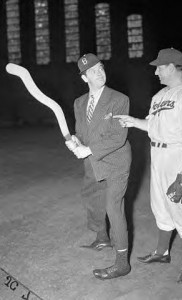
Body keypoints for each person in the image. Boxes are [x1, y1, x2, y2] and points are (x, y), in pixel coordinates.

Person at [114, 48, 182, 285]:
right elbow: (152, 125)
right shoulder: (159, 96)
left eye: (160, 67)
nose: (156, 72)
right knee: (160, 206)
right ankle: (162, 252)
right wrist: (133, 122)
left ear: (174, 66)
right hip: (158, 155)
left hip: (178, 156)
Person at [65, 53, 131, 280]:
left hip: (116, 161)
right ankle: (102, 238)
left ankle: (122, 263)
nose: (99, 73)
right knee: (93, 198)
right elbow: (82, 133)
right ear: (84, 78)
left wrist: (89, 150)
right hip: (92, 161)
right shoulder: (79, 103)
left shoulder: (119, 99)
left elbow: (118, 136)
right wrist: (76, 142)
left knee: (113, 207)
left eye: (101, 67)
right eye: (93, 71)